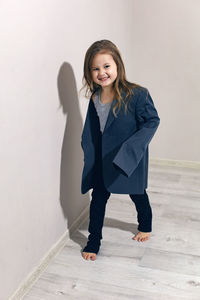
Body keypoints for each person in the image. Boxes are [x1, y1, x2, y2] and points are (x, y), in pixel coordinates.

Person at [79, 39, 160, 261]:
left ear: (117, 66)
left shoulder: (137, 94)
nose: (101, 72)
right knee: (98, 199)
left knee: (138, 194)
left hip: (127, 158)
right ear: (89, 72)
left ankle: (145, 225)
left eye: (106, 66)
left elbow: (152, 121)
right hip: (103, 160)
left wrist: (132, 148)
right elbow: (93, 129)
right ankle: (93, 241)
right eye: (95, 68)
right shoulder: (95, 97)